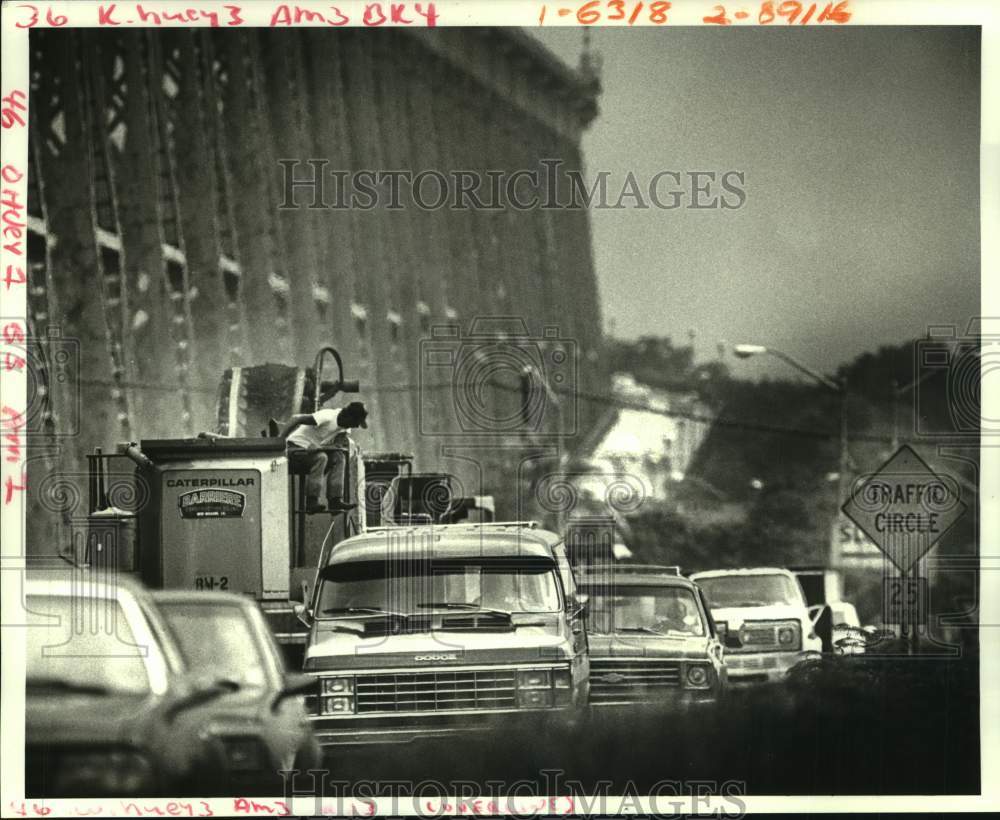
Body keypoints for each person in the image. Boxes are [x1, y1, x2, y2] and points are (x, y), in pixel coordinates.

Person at [280, 401, 368, 514]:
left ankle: (335, 500)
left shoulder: (346, 427)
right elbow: (296, 418)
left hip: (312, 451)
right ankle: (311, 502)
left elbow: (337, 446)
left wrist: (325, 447)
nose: (356, 426)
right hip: (295, 449)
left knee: (339, 457)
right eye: (356, 422)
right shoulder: (327, 416)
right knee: (321, 458)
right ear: (348, 416)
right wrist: (280, 440)